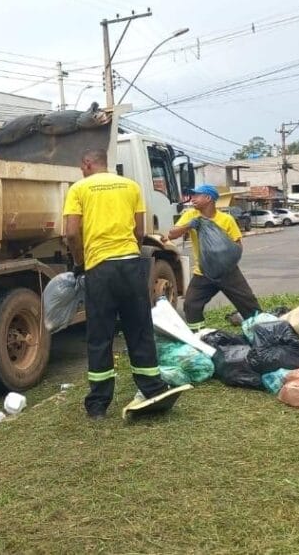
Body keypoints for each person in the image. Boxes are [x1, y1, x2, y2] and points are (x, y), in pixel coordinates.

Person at [63, 149, 187, 420]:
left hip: (99, 268)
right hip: (131, 266)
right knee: (139, 329)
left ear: (87, 163)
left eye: (81, 166)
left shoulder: (79, 189)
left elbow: (71, 232)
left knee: (100, 336)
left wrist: (80, 261)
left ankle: (98, 405)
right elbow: (140, 231)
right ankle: (152, 388)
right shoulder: (132, 186)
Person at [168, 185, 262, 331]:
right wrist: (189, 225)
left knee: (248, 304)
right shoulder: (190, 215)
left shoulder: (226, 219)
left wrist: (226, 261)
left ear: (208, 198)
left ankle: (262, 333)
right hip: (203, 273)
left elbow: (237, 245)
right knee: (191, 305)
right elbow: (172, 234)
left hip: (228, 273)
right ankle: (199, 336)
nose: (192, 199)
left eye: (197, 195)